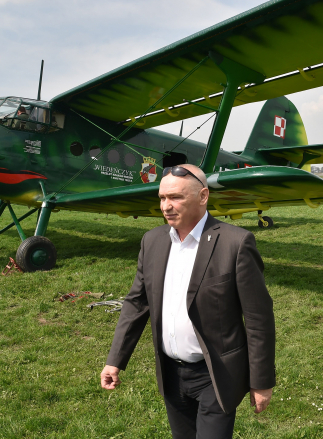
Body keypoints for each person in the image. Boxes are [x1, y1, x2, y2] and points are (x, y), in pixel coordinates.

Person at [100, 164, 275, 438]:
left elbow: (258, 318)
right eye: (162, 198)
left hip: (216, 375)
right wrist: (115, 360)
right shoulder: (152, 241)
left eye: (176, 197)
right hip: (171, 374)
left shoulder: (236, 243)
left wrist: (261, 381)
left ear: (203, 196)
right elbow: (136, 303)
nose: (166, 206)